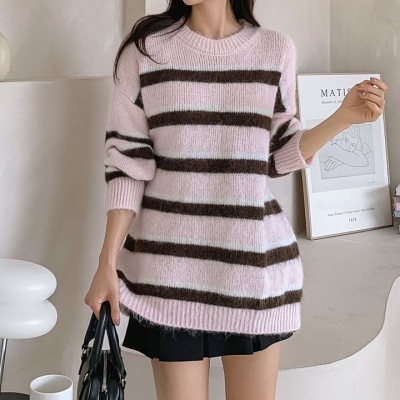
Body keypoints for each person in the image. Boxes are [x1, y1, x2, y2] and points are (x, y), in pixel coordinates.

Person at [84, 1, 388, 399]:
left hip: (253, 275)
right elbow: (127, 163)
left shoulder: (274, 49)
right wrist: (106, 262)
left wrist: (341, 118)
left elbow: (276, 154)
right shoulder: (145, 51)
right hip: (169, 277)